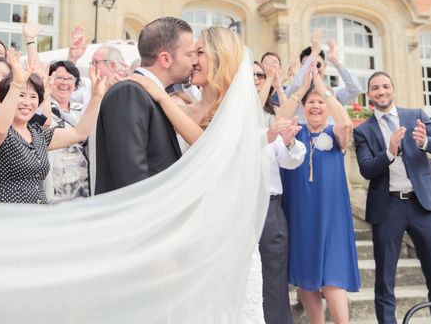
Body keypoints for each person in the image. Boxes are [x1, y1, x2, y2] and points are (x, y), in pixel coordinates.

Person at [128, 27, 299, 324]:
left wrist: (161, 96)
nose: (193, 60)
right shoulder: (184, 108)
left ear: (220, 59)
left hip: (225, 227)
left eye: (200, 52)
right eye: (191, 53)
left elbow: (208, 145)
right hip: (186, 226)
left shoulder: (238, 109)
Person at [353, 71, 431, 324]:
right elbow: (366, 169)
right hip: (388, 207)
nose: (381, 91)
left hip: (424, 205)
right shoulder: (363, 130)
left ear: (393, 90)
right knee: (385, 279)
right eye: (375, 88)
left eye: (385, 86)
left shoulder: (415, 115)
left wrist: (424, 141)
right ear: (369, 95)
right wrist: (389, 152)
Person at [279, 63, 360, 324]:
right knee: (306, 276)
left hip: (332, 213)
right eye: (310, 102)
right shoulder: (296, 132)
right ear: (304, 108)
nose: (315, 106)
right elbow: (281, 115)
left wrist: (324, 90)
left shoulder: (335, 133)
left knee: (333, 279)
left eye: (320, 103)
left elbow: (346, 123)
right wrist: (303, 88)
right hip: (300, 212)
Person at [0, 52, 107, 204]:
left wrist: (97, 96)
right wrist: (17, 84)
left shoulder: (38, 134)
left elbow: (79, 133)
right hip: (7, 216)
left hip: (38, 216)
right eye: (21, 95)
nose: (27, 102)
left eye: (33, 97)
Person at [94, 17, 196, 194]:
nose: (193, 61)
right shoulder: (129, 92)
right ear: (165, 59)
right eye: (189, 54)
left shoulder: (151, 94)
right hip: (137, 216)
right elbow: (131, 178)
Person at [253, 60, 305, 324]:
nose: (255, 79)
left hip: (270, 209)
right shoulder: (222, 115)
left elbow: (291, 160)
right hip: (237, 209)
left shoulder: (274, 115)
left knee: (274, 282)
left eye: (260, 74)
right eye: (249, 75)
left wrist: (289, 141)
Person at [286, 30, 363, 122]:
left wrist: (336, 61)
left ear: (325, 66)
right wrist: (314, 52)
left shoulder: (334, 93)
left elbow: (355, 89)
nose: (312, 68)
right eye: (307, 65)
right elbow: (298, 84)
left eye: (317, 65)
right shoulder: (294, 92)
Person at [46, 60, 90, 203]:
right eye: (59, 78)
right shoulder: (42, 108)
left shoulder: (82, 110)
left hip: (82, 186)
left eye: (69, 78)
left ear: (76, 84)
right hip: (53, 184)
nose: (64, 83)